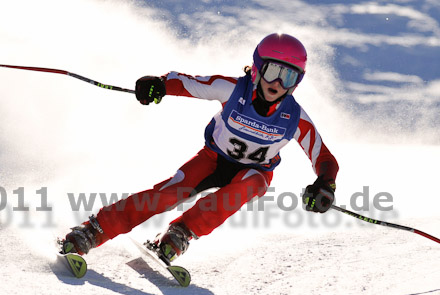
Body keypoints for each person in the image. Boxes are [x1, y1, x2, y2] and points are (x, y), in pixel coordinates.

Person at [59, 33, 339, 262]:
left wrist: (325, 183)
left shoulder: (295, 117)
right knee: (167, 195)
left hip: (254, 172)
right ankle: (95, 230)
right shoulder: (232, 90)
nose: (278, 83)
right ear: (257, 68)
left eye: (288, 77)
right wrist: (158, 85)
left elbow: (323, 157)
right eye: (273, 71)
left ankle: (182, 231)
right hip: (213, 160)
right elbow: (190, 84)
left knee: (245, 187)